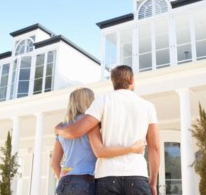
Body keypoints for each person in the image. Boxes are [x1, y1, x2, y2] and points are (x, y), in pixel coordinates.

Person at [56, 65, 160, 195]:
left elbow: (75, 132)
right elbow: (154, 147)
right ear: (132, 79)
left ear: (113, 82)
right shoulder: (148, 106)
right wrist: (153, 182)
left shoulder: (102, 101)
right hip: (137, 174)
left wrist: (59, 128)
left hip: (107, 176)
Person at [51, 87, 146, 195]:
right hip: (85, 182)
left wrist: (66, 181)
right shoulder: (91, 123)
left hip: (64, 183)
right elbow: (101, 151)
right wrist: (132, 148)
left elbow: (54, 164)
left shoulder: (63, 128)